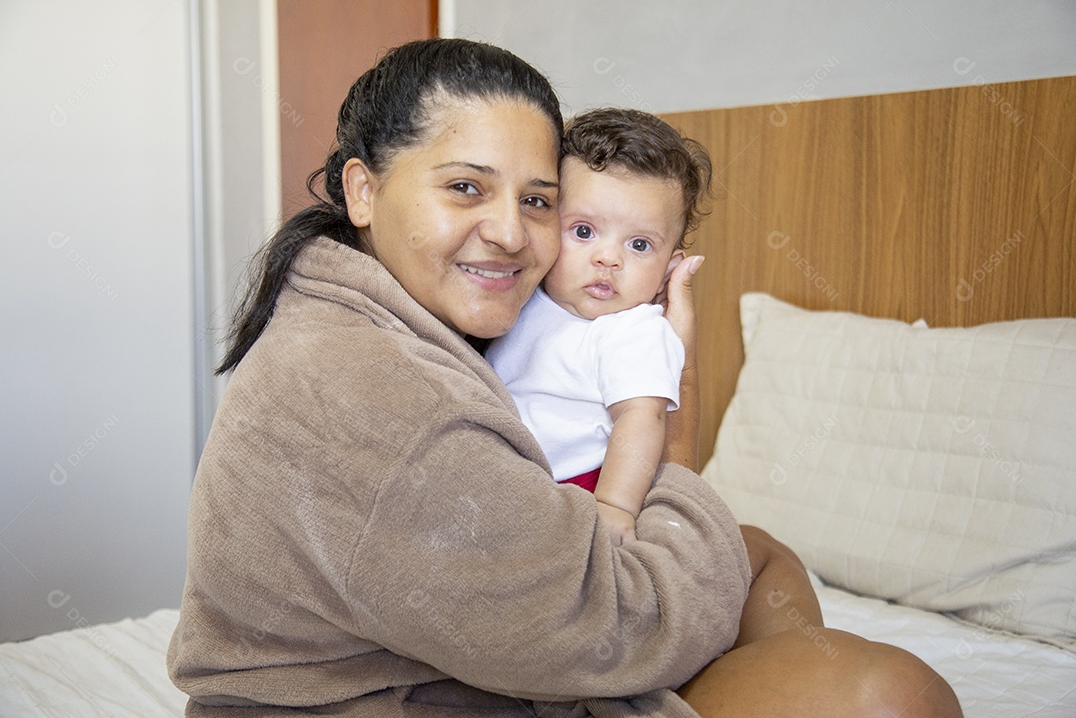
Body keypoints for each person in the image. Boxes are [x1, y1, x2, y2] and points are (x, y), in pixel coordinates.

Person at [167, 38, 963, 718]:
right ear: (363, 190)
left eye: (539, 200)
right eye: (465, 187)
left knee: (761, 555)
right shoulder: (388, 400)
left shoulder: (358, 315)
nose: (511, 233)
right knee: (891, 695)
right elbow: (614, 626)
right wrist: (677, 410)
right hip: (416, 693)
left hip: (453, 651)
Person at [487, 108, 710, 546]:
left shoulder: (636, 331)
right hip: (501, 478)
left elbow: (641, 417)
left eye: (639, 244)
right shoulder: (524, 297)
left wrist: (615, 505)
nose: (608, 258)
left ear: (669, 270)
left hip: (580, 487)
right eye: (584, 231)